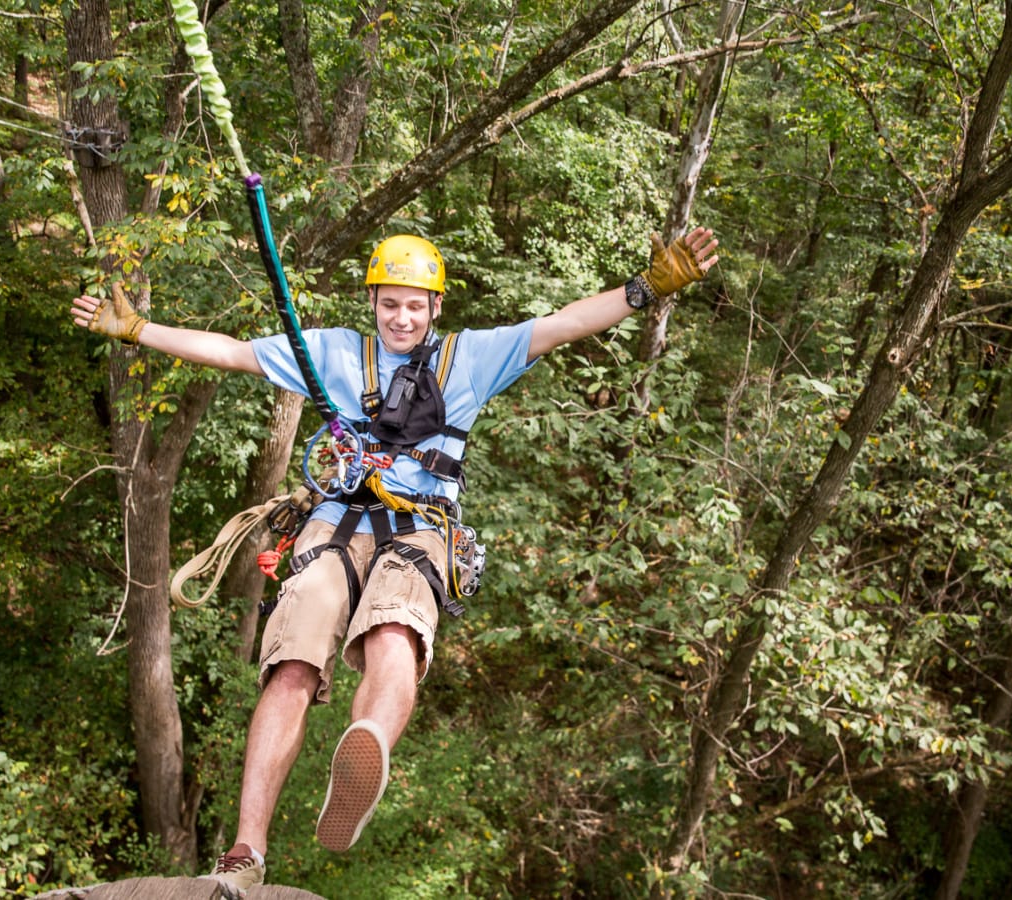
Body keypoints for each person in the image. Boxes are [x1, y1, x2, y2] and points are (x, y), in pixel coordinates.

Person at [70, 228, 718, 891]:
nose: (401, 318)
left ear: (436, 305)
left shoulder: (469, 359)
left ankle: (366, 746)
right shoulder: (333, 353)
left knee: (393, 628)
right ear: (372, 303)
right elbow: (233, 353)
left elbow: (562, 325)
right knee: (292, 660)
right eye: (389, 305)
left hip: (419, 528)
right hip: (335, 524)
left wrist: (646, 287)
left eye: (414, 305)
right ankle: (245, 854)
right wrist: (139, 330)